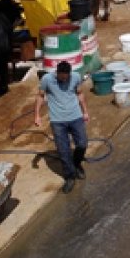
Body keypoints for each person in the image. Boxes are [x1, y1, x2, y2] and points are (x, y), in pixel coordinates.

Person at [34, 61, 89, 194]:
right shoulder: (47, 79)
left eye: (66, 77)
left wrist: (85, 111)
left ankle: (76, 164)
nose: (65, 79)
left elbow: (80, 93)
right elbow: (41, 96)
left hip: (75, 117)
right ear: (57, 73)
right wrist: (37, 115)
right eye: (62, 77)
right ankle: (70, 177)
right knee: (63, 151)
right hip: (57, 120)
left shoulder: (75, 77)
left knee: (82, 144)